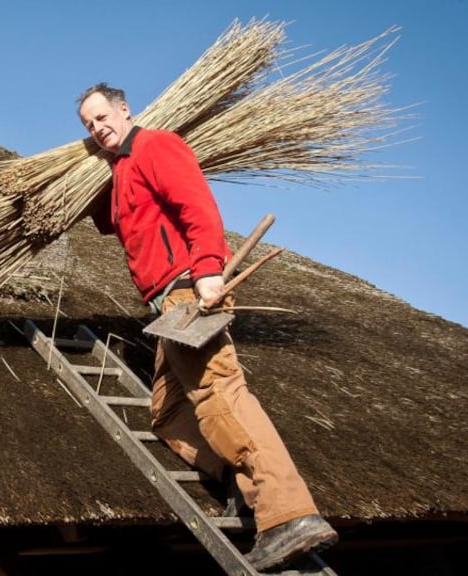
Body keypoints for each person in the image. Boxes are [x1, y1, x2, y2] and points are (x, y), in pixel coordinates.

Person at [77, 82, 337, 571]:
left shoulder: (156, 146)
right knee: (168, 413)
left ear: (124, 109)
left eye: (102, 117)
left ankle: (287, 513)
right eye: (89, 125)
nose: (97, 128)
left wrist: (208, 270)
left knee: (220, 393)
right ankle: (241, 484)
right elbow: (116, 220)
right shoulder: (121, 170)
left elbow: (196, 204)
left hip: (187, 291)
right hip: (165, 309)